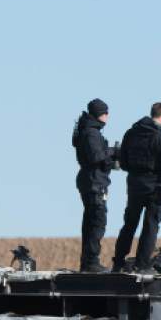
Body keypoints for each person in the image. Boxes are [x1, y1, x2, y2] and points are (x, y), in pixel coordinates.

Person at [112, 102, 161, 274]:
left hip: (135, 185)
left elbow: (124, 162)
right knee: (150, 226)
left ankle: (118, 262)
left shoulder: (130, 134)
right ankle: (142, 265)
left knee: (129, 224)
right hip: (156, 189)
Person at [72, 98, 116, 272]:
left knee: (91, 221)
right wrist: (113, 152)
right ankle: (91, 262)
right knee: (97, 221)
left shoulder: (87, 130)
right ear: (101, 114)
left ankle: (88, 261)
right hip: (93, 181)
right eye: (106, 113)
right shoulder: (91, 132)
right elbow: (96, 156)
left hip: (91, 179)